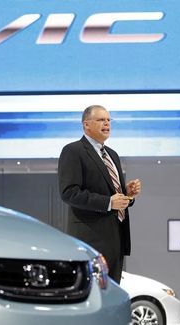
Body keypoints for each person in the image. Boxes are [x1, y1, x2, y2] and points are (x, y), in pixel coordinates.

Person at [58, 105, 141, 283]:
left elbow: (112, 194)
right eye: (101, 120)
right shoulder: (73, 151)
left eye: (109, 120)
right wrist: (108, 202)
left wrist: (127, 194)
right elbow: (69, 192)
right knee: (92, 295)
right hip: (90, 240)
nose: (107, 124)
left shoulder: (113, 155)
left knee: (111, 296)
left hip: (116, 239)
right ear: (86, 125)